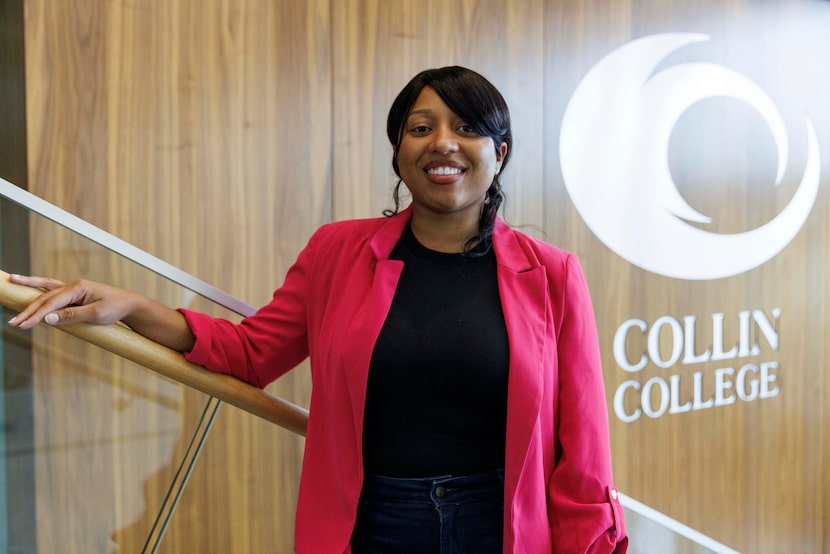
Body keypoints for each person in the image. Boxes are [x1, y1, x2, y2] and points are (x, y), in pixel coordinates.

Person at [8, 66, 628, 553]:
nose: (444, 143)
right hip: (374, 523)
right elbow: (249, 354)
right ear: (398, 150)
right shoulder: (337, 251)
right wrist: (129, 305)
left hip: (505, 528)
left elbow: (584, 451)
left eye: (468, 127)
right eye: (420, 127)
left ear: (501, 152)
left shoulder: (551, 275)